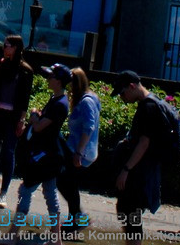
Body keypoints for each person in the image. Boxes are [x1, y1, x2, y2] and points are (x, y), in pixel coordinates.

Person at [13, 64, 71, 238]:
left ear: (59, 81)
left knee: (25, 191)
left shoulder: (60, 104)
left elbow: (38, 127)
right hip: (50, 155)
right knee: (50, 195)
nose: (48, 79)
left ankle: (12, 235)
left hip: (45, 157)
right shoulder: (57, 99)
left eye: (51, 77)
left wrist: (33, 116)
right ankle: (56, 238)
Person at [111, 70, 168, 245]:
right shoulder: (152, 103)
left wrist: (126, 170)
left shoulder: (148, 107)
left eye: (122, 92)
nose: (122, 97)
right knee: (128, 212)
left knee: (130, 213)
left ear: (132, 86)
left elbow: (144, 143)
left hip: (140, 172)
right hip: (143, 170)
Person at [0, 35, 34, 207]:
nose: (4, 48)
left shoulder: (25, 70)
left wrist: (22, 120)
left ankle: (3, 193)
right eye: (4, 45)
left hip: (13, 117)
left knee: (8, 153)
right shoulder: (1, 64)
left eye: (7, 45)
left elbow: (25, 98)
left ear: (16, 47)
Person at [57, 66, 100, 227]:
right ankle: (75, 217)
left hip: (80, 151)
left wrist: (79, 152)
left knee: (65, 182)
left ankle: (78, 218)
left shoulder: (86, 101)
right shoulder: (90, 98)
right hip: (77, 148)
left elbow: (89, 127)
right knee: (69, 183)